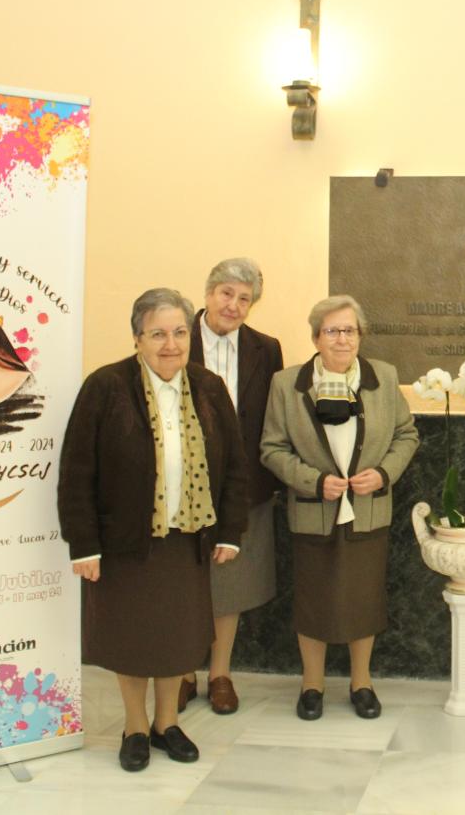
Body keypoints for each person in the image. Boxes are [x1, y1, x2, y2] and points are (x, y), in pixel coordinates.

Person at [57, 288, 248, 772]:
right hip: (125, 541)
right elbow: (77, 470)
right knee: (132, 638)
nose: (171, 344)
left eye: (180, 332)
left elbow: (234, 466)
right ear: (137, 338)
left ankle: (167, 724)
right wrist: (83, 544)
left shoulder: (208, 388)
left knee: (175, 638)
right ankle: (135, 727)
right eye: (158, 334)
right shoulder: (106, 387)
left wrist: (230, 531)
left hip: (186, 539)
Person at [260, 295, 419, 721]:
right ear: (316, 338)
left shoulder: (383, 377)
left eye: (349, 330)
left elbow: (406, 435)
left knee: (364, 600)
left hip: (367, 509)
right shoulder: (287, 385)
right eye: (332, 331)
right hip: (314, 511)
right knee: (313, 600)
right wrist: (313, 481)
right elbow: (272, 448)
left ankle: (361, 683)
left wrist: (383, 473)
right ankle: (311, 685)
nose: (342, 339)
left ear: (360, 336)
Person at [178, 258, 284, 715]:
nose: (234, 305)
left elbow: (269, 418)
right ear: (207, 293)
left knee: (230, 584)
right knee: (182, 580)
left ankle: (220, 674)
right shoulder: (176, 337)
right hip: (181, 486)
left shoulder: (267, 349)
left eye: (244, 299)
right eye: (226, 293)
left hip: (243, 486)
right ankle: (182, 673)